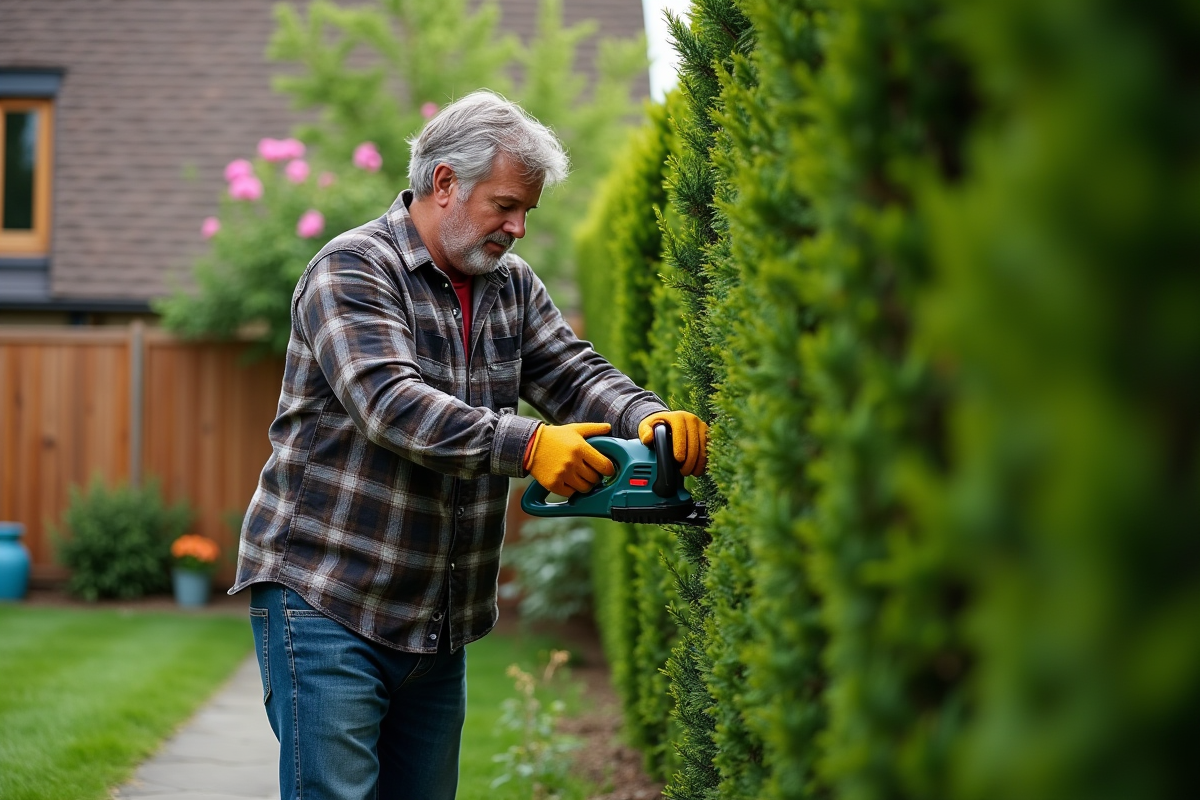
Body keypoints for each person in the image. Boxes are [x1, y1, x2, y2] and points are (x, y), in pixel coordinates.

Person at [229, 90, 708, 800]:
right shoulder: (353, 269)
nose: (517, 227)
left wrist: (649, 418)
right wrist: (528, 445)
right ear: (445, 182)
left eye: (525, 213)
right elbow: (390, 404)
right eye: (506, 205)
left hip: (435, 617)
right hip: (325, 598)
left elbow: (573, 373)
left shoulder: (509, 286)